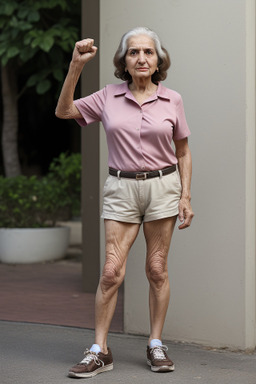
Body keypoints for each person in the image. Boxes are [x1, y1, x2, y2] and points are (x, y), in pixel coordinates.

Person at [56, 26, 194, 379]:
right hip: (121, 188)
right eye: (133, 52)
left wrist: (186, 196)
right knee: (110, 273)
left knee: (157, 269)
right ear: (124, 61)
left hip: (163, 187)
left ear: (158, 59)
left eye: (148, 52)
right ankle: (100, 350)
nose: (141, 58)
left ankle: (155, 343)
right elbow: (65, 111)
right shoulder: (108, 96)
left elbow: (183, 151)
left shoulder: (172, 99)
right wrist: (76, 66)